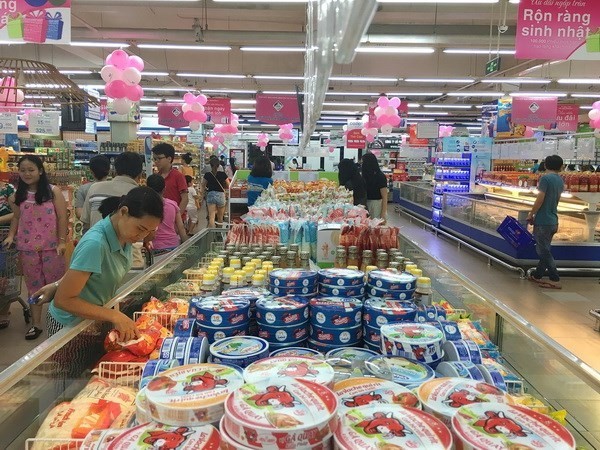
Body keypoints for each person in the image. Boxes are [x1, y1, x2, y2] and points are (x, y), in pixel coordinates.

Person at [32, 187, 163, 340]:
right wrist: (114, 316)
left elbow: (88, 271)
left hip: (92, 319)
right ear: (123, 212)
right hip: (69, 326)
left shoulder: (124, 235)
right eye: (140, 228)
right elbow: (63, 300)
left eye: (148, 231)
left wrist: (57, 285)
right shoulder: (96, 243)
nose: (142, 236)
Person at [3, 155, 67, 340]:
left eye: (31, 170)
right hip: (27, 248)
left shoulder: (53, 191)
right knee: (33, 286)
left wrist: (62, 241)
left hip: (52, 247)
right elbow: (16, 217)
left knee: (57, 284)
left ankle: (60, 320)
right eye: (23, 170)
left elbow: (62, 217)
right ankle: (36, 324)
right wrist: (10, 236)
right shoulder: (16, 196)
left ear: (40, 170)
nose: (26, 174)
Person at [527, 154, 564, 289]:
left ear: (546, 165)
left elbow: (540, 199)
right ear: (560, 166)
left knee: (543, 251)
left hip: (543, 221)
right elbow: (557, 200)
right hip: (553, 220)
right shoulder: (560, 180)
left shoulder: (545, 179)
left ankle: (555, 278)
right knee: (545, 248)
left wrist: (532, 213)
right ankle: (538, 275)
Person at [82, 152, 142, 230]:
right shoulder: (141, 196)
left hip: (96, 240)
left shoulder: (94, 188)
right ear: (140, 174)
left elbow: (86, 222)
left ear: (115, 171)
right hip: (129, 242)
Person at [146, 174, 187, 253]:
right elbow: (181, 228)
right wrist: (187, 245)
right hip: (173, 245)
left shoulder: (145, 206)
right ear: (164, 189)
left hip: (154, 247)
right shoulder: (172, 205)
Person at [152, 143, 188, 214]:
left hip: (175, 219)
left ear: (169, 159)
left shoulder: (178, 176)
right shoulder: (156, 177)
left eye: (159, 158)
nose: (156, 161)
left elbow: (185, 199)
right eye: (154, 159)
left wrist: (176, 217)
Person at [74, 155, 111, 226]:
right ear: (109, 170)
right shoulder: (114, 187)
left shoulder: (83, 189)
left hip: (89, 231)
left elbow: (79, 214)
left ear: (91, 171)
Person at [0, 180, 15, 330]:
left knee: (5, 273)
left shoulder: (7, 189)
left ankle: (4, 309)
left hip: (4, 238)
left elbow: (16, 212)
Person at [362, 152, 389, 221]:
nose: (362, 165)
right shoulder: (365, 176)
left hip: (377, 204)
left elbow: (385, 196)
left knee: (375, 226)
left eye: (363, 162)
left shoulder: (380, 176)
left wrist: (383, 214)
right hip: (366, 203)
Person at [203, 158, 229, 227]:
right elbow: (229, 185)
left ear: (210, 165)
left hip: (211, 195)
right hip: (221, 195)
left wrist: (201, 195)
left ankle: (211, 235)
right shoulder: (223, 174)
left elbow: (203, 186)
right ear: (218, 165)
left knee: (211, 217)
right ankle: (219, 234)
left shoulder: (207, 174)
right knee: (220, 218)